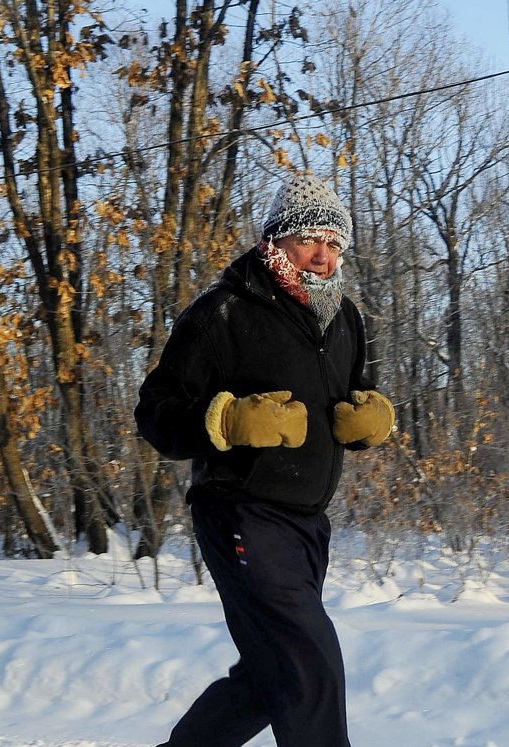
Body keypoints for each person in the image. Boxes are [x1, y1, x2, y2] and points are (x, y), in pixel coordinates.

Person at [135, 172, 395, 747]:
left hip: (308, 524)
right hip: (240, 513)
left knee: (271, 673)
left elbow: (356, 395)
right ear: (276, 240)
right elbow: (155, 412)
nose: (323, 255)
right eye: (310, 240)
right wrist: (225, 421)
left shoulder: (344, 318)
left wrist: (371, 420)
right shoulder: (222, 313)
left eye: (334, 243)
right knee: (309, 661)